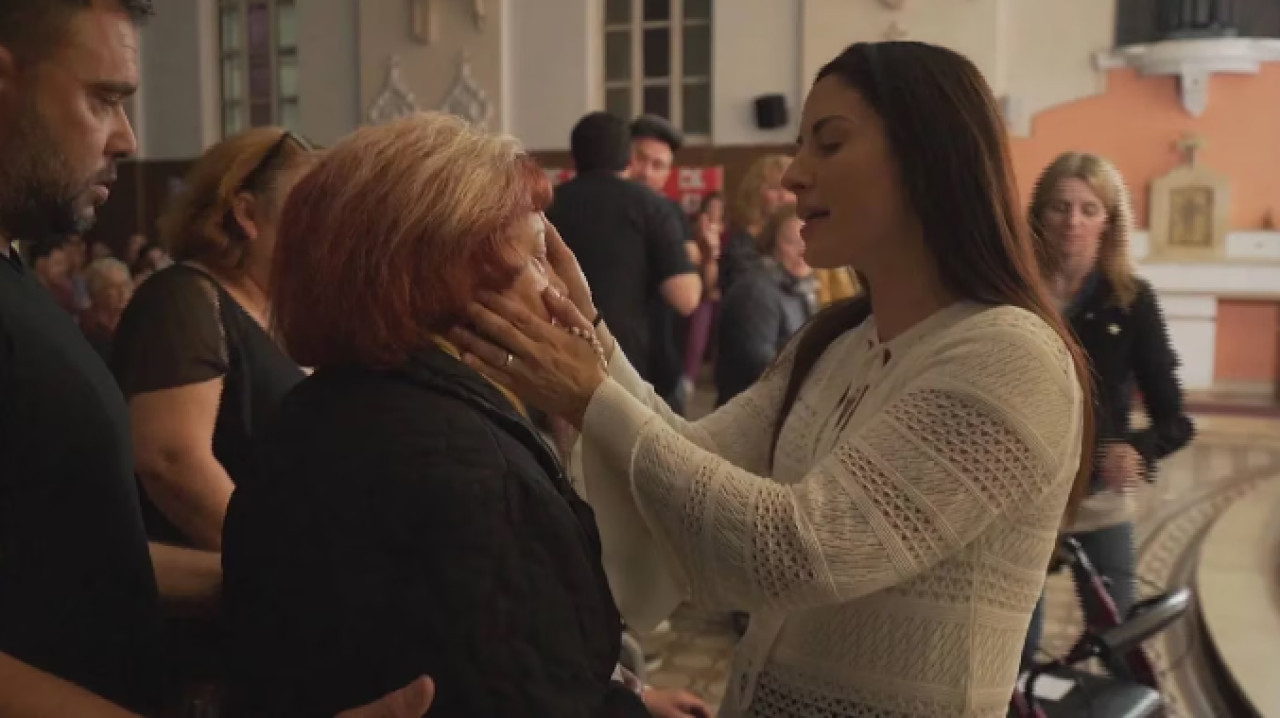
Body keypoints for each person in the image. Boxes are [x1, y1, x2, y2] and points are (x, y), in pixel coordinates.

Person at [453, 41, 1096, 717]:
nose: (794, 175)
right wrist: (591, 338)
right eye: (800, 148)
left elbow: (800, 552)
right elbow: (693, 458)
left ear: (928, 155)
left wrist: (591, 394)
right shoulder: (839, 340)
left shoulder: (1008, 355)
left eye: (829, 143)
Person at [0, 3, 427, 715]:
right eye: (103, 98)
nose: (129, 138)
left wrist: (278, 579)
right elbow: (169, 460)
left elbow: (76, 555)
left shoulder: (17, 283)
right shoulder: (186, 299)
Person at [222, 112, 707, 718]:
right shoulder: (483, 475)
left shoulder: (303, 413)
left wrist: (629, 694)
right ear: (444, 278)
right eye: (534, 256)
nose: (556, 285)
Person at [1021, 151, 1194, 668]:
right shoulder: (1011, 293)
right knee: (1011, 651)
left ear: (1109, 221)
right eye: (1059, 207)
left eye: (1089, 209)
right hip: (1020, 498)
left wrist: (1136, 450)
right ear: (1039, 216)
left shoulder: (1131, 300)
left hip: (1097, 499)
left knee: (1117, 637)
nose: (1073, 221)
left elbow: (1174, 418)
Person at [112, 127, 312, 551]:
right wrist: (276, 561)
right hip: (218, 589)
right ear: (247, 214)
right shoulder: (184, 297)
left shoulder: (276, 309)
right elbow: (170, 460)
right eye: (310, 208)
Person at [547, 112, 699, 391]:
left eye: (659, 165)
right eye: (642, 159)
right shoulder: (653, 207)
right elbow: (686, 296)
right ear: (627, 157)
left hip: (563, 351)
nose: (648, 171)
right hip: (635, 362)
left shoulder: (548, 203)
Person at [715, 204, 816, 407]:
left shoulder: (800, 287)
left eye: (809, 240)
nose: (802, 250)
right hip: (751, 415)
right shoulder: (756, 289)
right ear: (771, 244)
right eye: (792, 242)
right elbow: (760, 366)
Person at [719, 154, 794, 294]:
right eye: (774, 188)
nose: (784, 196)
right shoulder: (740, 245)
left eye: (791, 189)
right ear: (755, 193)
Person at [80, 256, 133, 360]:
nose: (123, 293)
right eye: (113, 287)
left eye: (126, 285)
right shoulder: (88, 332)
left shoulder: (133, 324)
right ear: (96, 292)